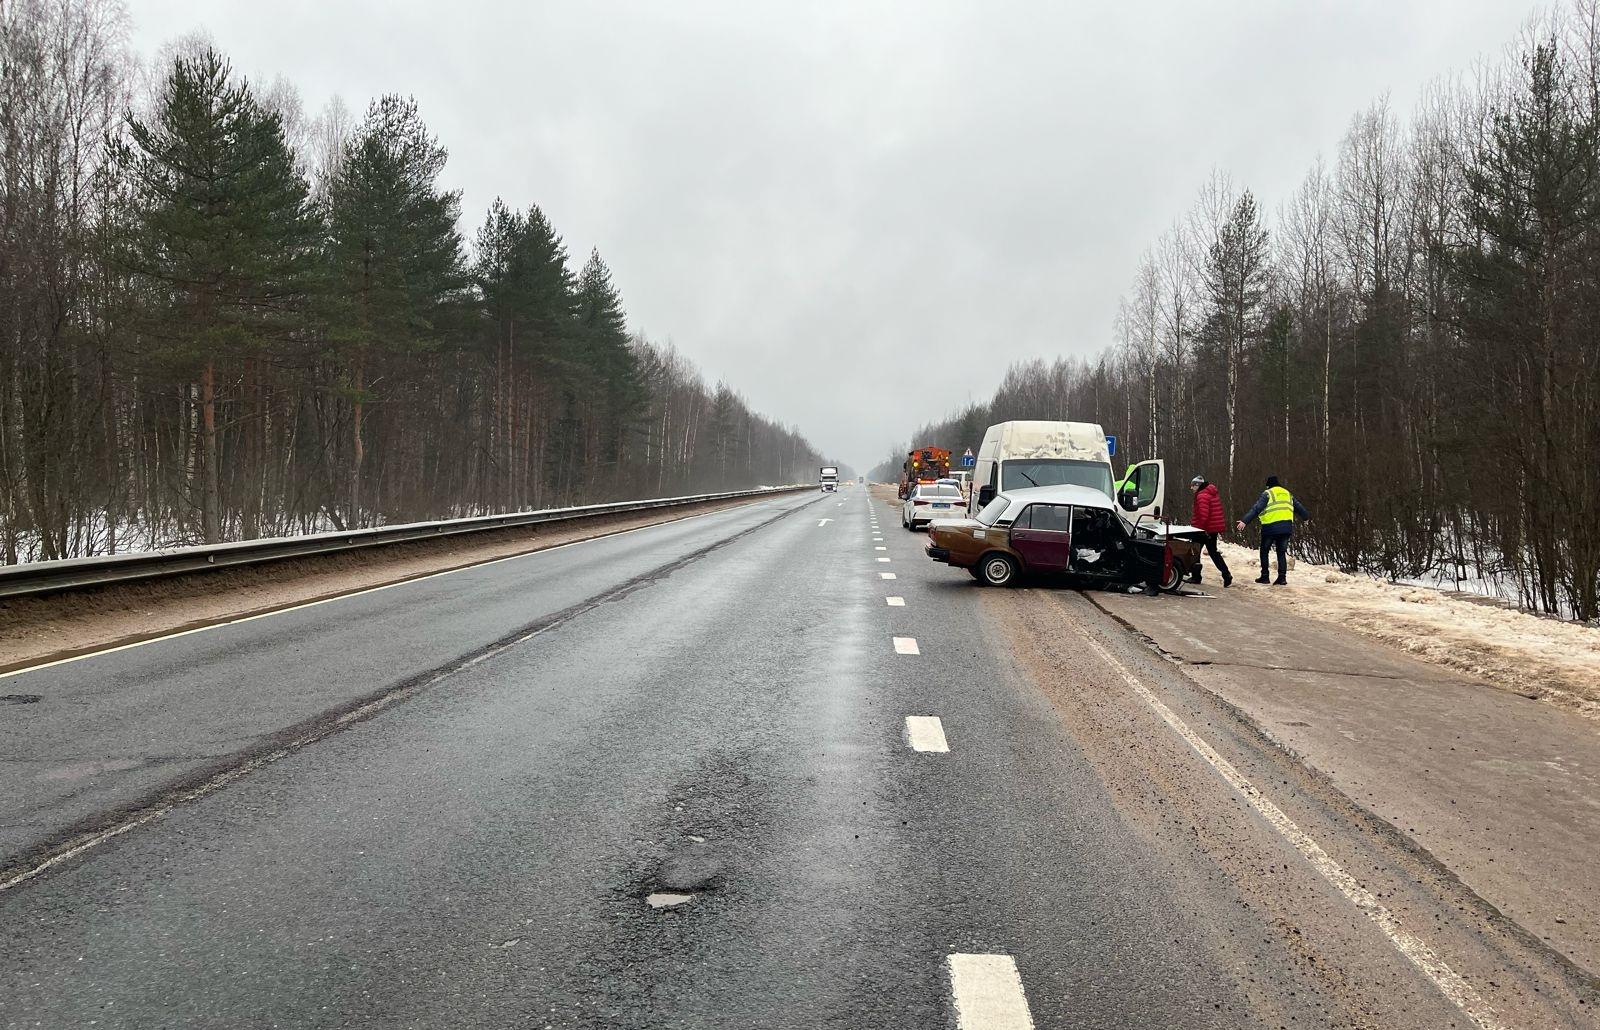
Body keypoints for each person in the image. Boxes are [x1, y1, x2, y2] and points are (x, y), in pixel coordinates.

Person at [1236, 475, 1310, 585]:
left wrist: (1244, 521)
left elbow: (1256, 509)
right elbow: (1299, 507)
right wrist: (1306, 517)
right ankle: (1282, 578)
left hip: (1270, 528)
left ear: (1268, 486)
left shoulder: (1268, 493)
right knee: (1281, 553)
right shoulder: (1287, 493)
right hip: (1286, 528)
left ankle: (1265, 576)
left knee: (1264, 551)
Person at [1187, 475, 1232, 587]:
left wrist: (1200, 529)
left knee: (1195, 552)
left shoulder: (1202, 495)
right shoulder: (1210, 492)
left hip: (1203, 529)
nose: (1191, 488)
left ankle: (1196, 577)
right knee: (1213, 552)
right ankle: (1226, 575)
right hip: (1212, 528)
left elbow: (1203, 515)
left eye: (1192, 486)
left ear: (1197, 485)